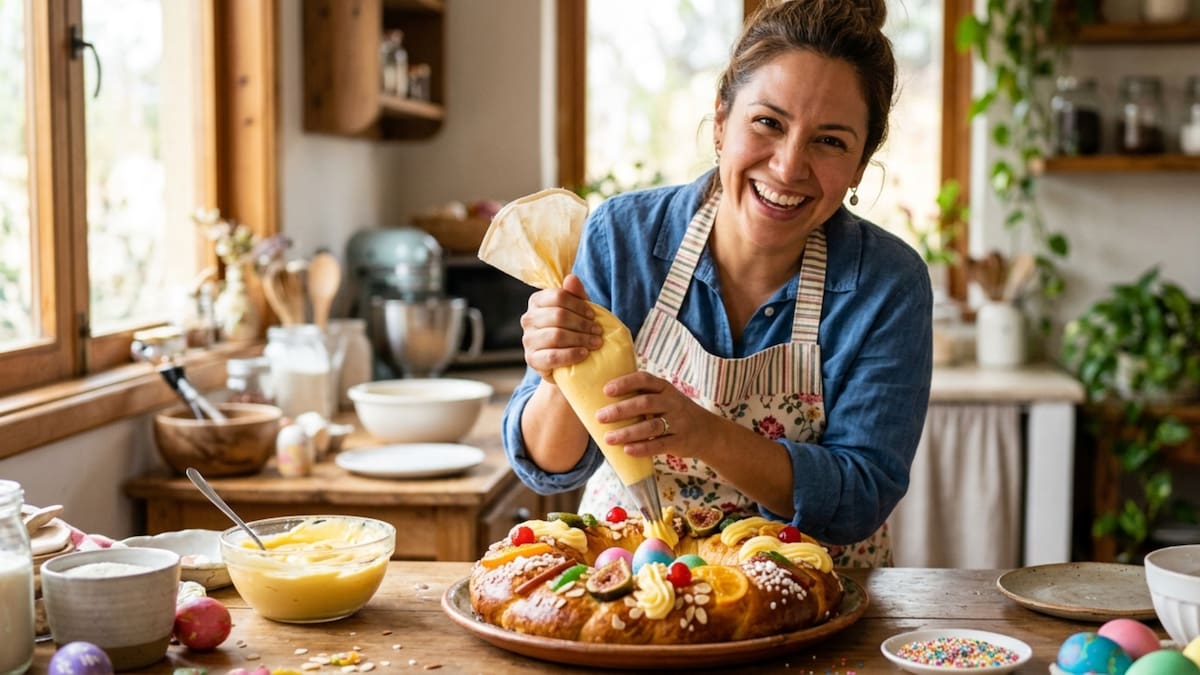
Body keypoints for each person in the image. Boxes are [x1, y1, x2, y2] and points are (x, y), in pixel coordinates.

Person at [501, 0, 931, 567]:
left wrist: (704, 433)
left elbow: (858, 498)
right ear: (722, 120)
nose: (787, 166)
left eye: (829, 141)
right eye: (768, 123)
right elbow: (553, 464)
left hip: (815, 603)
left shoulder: (887, 284)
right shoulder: (624, 238)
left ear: (858, 166)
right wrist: (560, 375)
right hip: (632, 582)